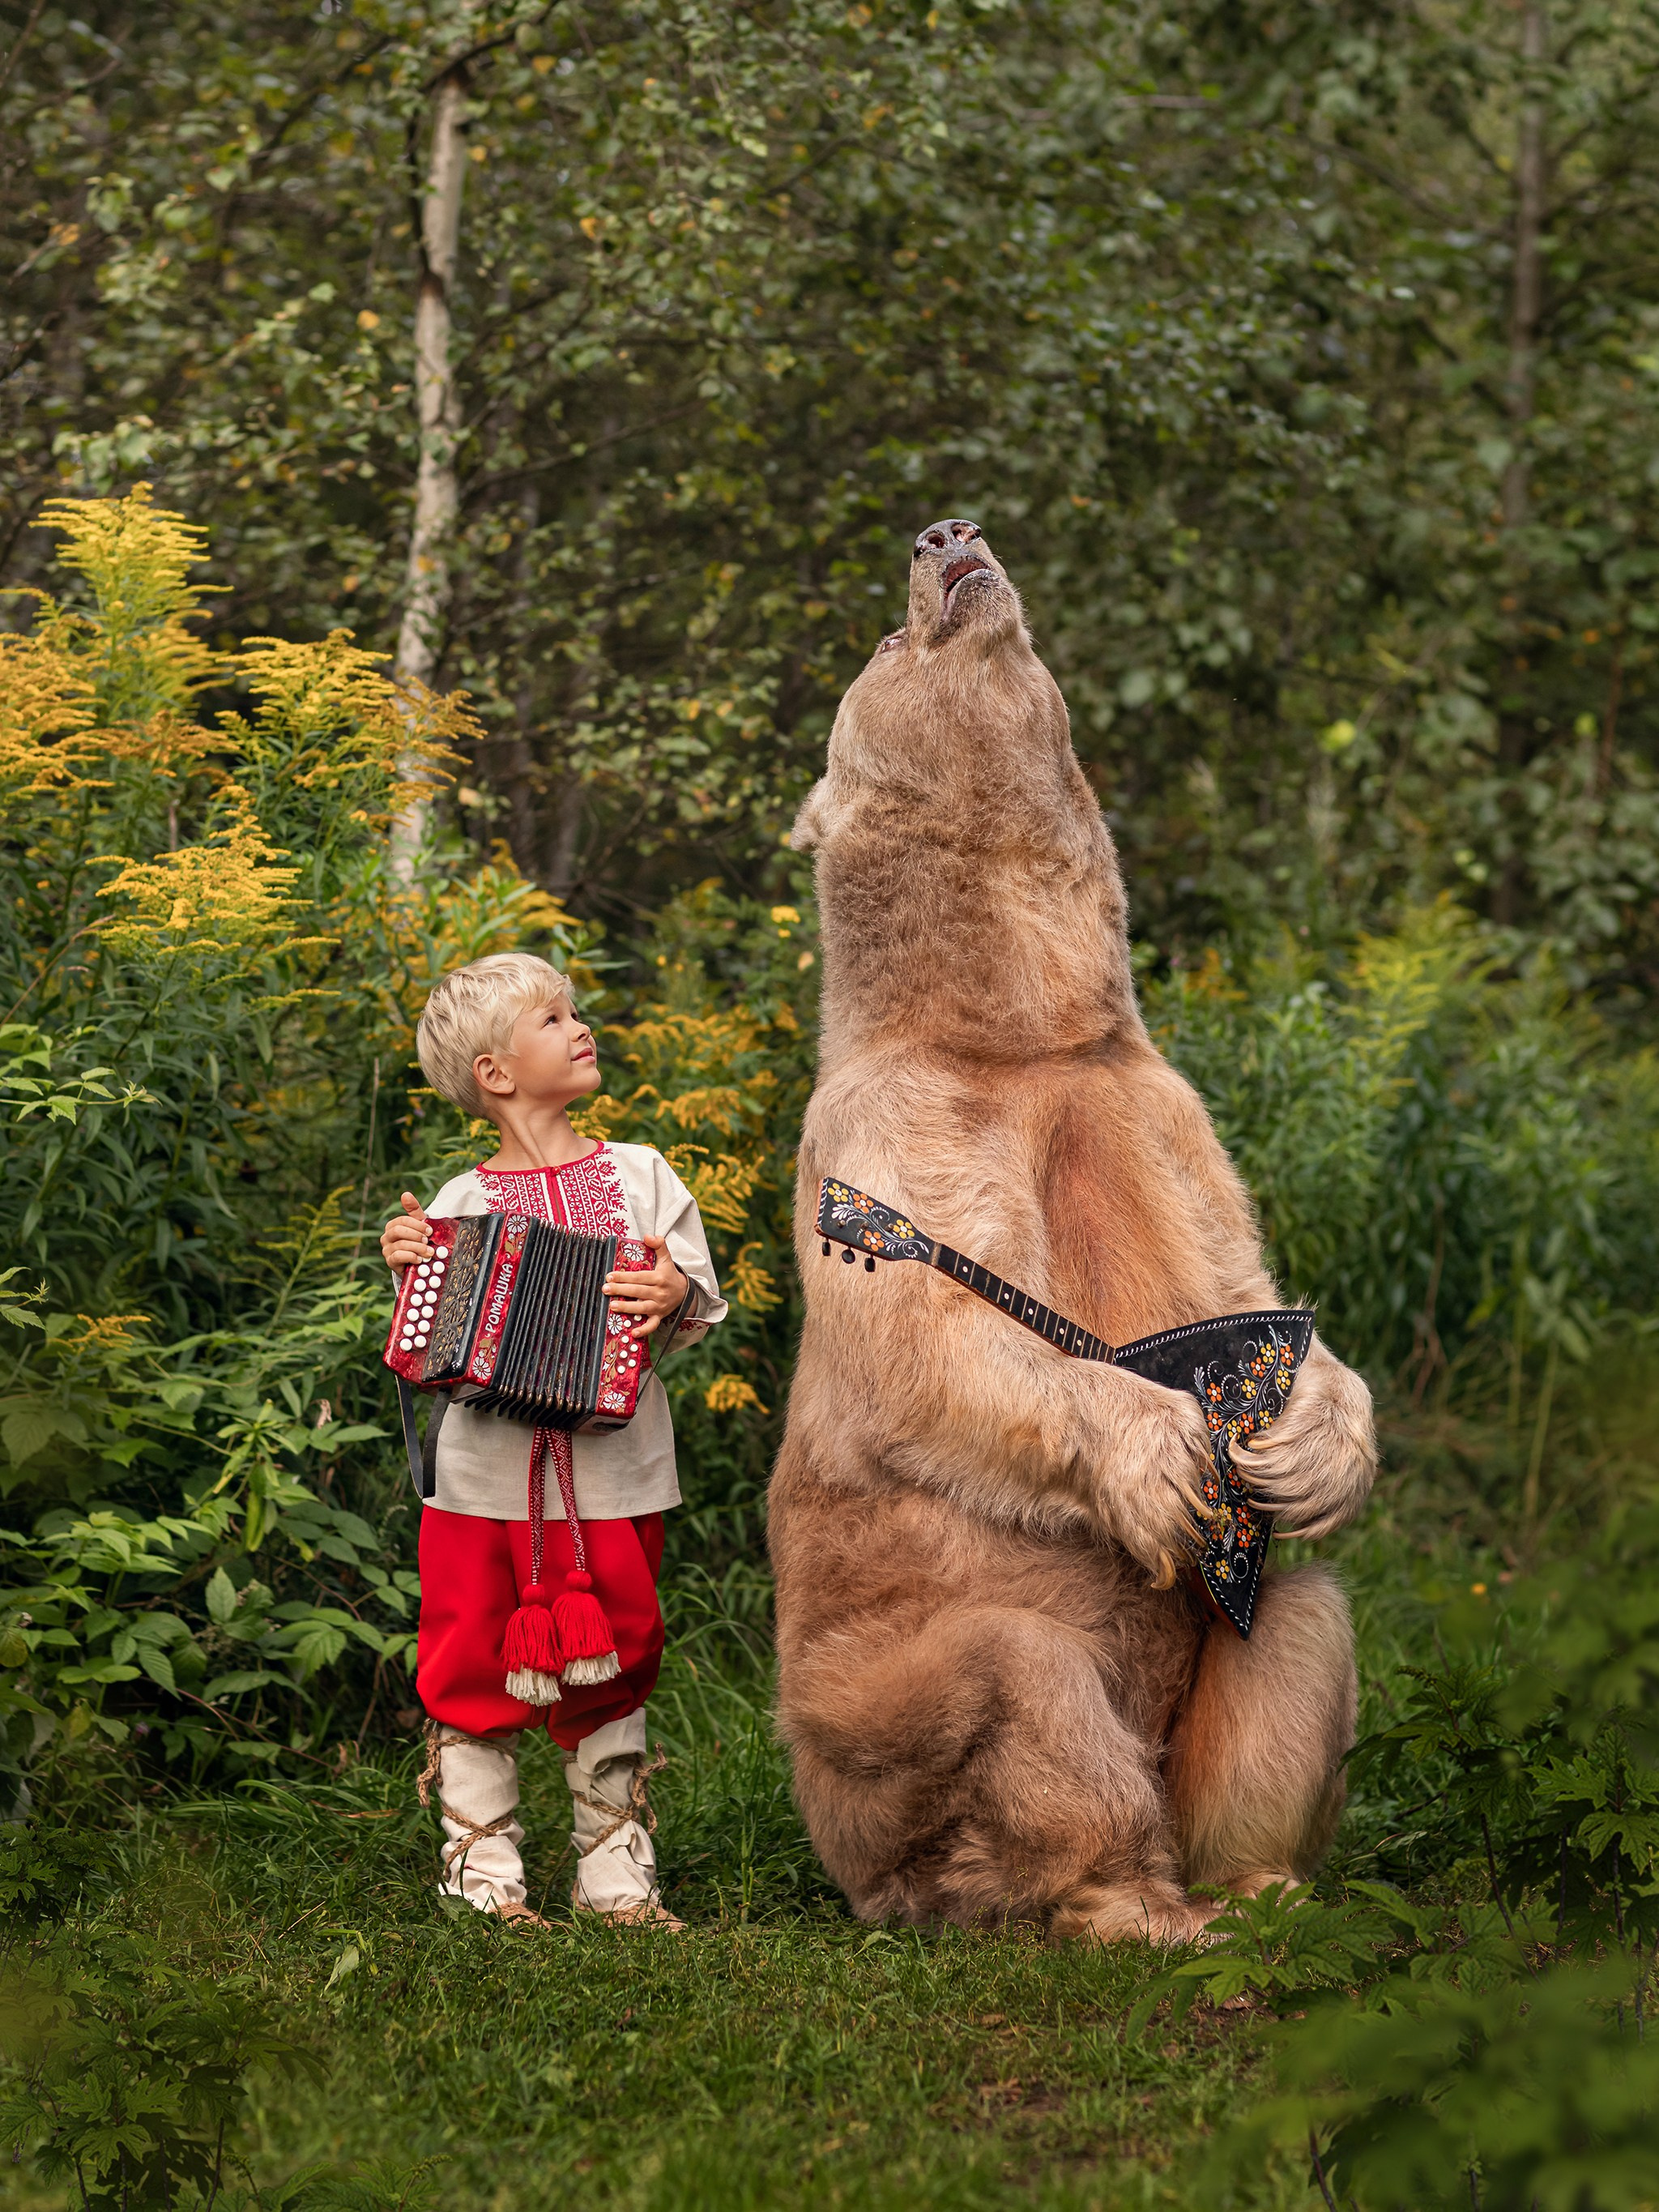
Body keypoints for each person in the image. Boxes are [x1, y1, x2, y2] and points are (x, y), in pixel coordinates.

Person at [380, 951, 726, 1929]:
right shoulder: (457, 1205)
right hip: (480, 1481)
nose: (581, 1027)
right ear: (495, 1074)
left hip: (616, 1473)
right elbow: (428, 1338)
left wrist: (670, 1295)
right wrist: (404, 1259)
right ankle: (483, 1882)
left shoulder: (641, 1175)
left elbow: (693, 1299)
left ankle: (616, 1881)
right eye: (553, 1019)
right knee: (466, 1662)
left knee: (615, 1662)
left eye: (575, 1013)